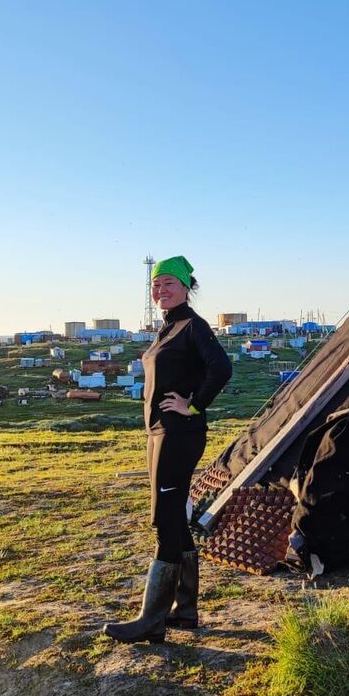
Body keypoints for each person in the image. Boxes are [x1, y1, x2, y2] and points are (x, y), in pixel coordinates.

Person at [104, 256, 232, 643]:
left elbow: (222, 367)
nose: (160, 290)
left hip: (179, 434)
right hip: (160, 434)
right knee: (174, 518)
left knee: (164, 520)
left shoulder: (192, 326)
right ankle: (185, 610)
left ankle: (152, 619)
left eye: (168, 284)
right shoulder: (168, 329)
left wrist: (193, 404)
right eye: (155, 285)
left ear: (185, 287)